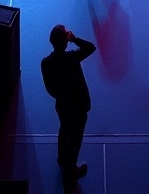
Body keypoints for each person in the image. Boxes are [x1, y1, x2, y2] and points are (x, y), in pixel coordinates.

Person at [40, 24, 96, 189]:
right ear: (65, 42)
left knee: (64, 129)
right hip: (78, 105)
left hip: (62, 105)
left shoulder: (46, 63)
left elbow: (50, 88)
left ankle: (62, 159)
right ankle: (70, 172)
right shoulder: (71, 58)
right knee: (76, 138)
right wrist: (75, 39)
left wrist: (61, 96)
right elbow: (90, 47)